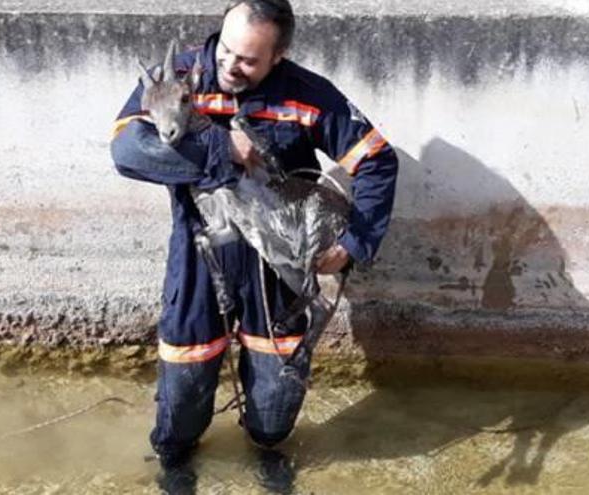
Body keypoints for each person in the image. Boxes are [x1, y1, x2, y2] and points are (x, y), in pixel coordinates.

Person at [110, 0, 399, 469]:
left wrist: (353, 244)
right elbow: (128, 150)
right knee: (183, 394)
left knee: (273, 415)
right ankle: (176, 466)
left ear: (278, 56)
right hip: (201, 255)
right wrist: (223, 147)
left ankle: (265, 455)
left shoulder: (308, 95)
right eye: (225, 50)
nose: (229, 66)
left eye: (247, 60)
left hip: (277, 267)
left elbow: (378, 161)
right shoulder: (179, 78)